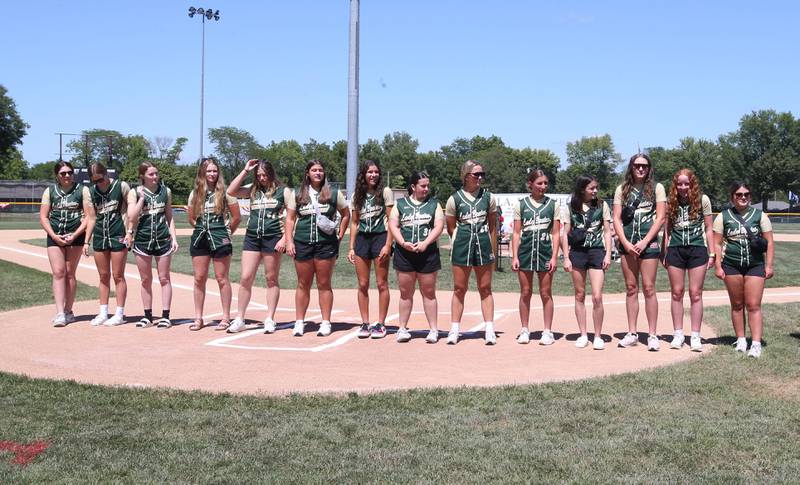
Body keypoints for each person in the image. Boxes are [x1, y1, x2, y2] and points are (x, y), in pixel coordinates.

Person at [285, 160, 350, 337]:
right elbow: (290, 219)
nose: (318, 173)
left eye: (320, 170)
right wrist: (289, 241)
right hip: (302, 243)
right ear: (307, 173)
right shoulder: (297, 193)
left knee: (324, 284)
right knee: (303, 284)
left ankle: (326, 322)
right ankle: (299, 322)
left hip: (326, 244)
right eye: (314, 170)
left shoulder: (334, 193)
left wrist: (340, 236)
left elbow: (346, 215)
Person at [226, 159, 292, 334]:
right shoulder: (252, 190)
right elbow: (231, 191)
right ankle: (240, 318)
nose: (262, 178)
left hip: (273, 238)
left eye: (265, 174)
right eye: (259, 175)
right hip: (252, 238)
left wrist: (284, 239)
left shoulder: (282, 191)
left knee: (271, 278)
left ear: (271, 173)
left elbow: (293, 218)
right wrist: (246, 170)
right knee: (246, 277)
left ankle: (270, 318)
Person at [713, 182, 775, 358]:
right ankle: (741, 339)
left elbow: (769, 242)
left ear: (750, 196)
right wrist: (718, 265)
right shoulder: (723, 216)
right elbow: (717, 243)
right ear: (732, 197)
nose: (742, 197)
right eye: (739, 194)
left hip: (755, 264)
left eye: (746, 194)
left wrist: (769, 265)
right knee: (737, 304)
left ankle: (755, 343)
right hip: (731, 264)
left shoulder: (760, 215)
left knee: (754, 305)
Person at [612, 154, 666, 351]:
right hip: (627, 244)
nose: (641, 169)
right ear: (631, 167)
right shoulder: (622, 189)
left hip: (648, 244)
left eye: (644, 166)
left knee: (649, 288)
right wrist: (625, 243)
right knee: (631, 288)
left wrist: (644, 241)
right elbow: (616, 218)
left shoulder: (657, 188)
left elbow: (660, 217)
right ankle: (632, 332)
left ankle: (652, 335)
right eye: (637, 166)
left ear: (649, 168)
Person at [445, 160, 498, 345]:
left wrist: (492, 251)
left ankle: (489, 329)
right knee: (459, 288)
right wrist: (462, 240)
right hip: (462, 245)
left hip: (483, 245)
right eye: (476, 174)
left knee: (485, 288)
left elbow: (492, 226)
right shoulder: (455, 199)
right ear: (466, 176)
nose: (480, 178)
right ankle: (454, 329)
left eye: (482, 174)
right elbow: (451, 227)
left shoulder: (488, 197)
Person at [388, 171, 444, 343]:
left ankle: (433, 330)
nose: (426, 188)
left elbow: (438, 226)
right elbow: (393, 225)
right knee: (405, 293)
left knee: (429, 292)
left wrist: (425, 243)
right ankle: (402, 328)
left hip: (427, 254)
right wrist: (403, 242)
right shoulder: (401, 204)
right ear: (413, 186)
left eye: (428, 185)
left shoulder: (434, 204)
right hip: (404, 254)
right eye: (423, 185)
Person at [661, 169, 715, 351]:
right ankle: (678, 334)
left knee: (695, 293)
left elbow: (709, 228)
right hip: (676, 249)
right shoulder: (670, 202)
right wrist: (664, 251)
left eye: (687, 183)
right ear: (675, 185)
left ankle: (695, 336)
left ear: (692, 184)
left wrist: (712, 253)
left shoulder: (702, 200)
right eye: (680, 184)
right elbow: (667, 229)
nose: (683, 187)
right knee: (676, 292)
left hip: (697, 248)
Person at [186, 158, 241, 331]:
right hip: (200, 239)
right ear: (202, 173)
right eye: (208, 171)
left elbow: (237, 217)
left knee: (221, 278)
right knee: (199, 278)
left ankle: (226, 317)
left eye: (214, 171)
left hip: (220, 239)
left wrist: (225, 233)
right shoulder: (195, 193)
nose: (212, 174)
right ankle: (198, 318)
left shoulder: (226, 192)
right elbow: (192, 218)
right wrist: (202, 228)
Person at [561, 175, 612, 350]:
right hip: (578, 252)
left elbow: (606, 231)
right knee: (579, 294)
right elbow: (565, 233)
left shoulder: (602, 205)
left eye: (596, 187)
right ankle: (583, 334)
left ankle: (598, 336)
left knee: (597, 296)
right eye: (591, 188)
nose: (595, 191)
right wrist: (566, 257)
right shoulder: (571, 207)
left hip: (597, 251)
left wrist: (608, 254)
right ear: (582, 189)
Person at [39, 161, 93, 327]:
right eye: (63, 173)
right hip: (55, 236)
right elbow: (43, 217)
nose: (67, 175)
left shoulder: (82, 190)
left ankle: (68, 310)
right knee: (58, 272)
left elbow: (88, 216)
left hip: (74, 236)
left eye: (69, 172)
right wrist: (54, 236)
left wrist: (76, 234)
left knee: (70, 273)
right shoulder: (50, 191)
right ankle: (60, 313)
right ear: (57, 175)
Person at [511, 169, 561, 345]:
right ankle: (525, 329)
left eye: (545, 183)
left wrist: (555, 257)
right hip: (525, 252)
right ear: (530, 184)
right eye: (539, 183)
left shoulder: (553, 204)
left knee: (546, 292)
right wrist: (514, 256)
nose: (543, 186)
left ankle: (547, 331)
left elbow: (556, 233)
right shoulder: (521, 204)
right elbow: (516, 233)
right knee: (525, 292)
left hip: (545, 251)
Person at [84, 163, 137, 327]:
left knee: (118, 276)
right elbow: (92, 218)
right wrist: (87, 241)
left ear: (106, 174)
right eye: (95, 181)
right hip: (100, 236)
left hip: (118, 235)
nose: (98, 183)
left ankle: (119, 313)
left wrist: (130, 232)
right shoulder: (92, 192)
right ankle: (103, 313)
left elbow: (131, 210)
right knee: (103, 276)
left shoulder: (121, 186)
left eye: (100, 179)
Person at [127, 162, 179, 328]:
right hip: (142, 240)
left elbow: (169, 216)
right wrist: (142, 198)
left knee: (164, 278)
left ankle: (165, 315)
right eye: (151, 174)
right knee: (145, 279)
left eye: (156, 173)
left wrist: (174, 237)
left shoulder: (166, 191)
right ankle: (148, 316)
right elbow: (131, 217)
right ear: (143, 176)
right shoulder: (134, 192)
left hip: (163, 239)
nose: (155, 177)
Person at [348, 160, 395, 339]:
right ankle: (365, 323)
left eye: (376, 172)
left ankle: (381, 324)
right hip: (362, 240)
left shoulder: (385, 192)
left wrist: (388, 244)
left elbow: (392, 220)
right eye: (369, 172)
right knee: (362, 284)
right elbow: (354, 222)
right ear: (363, 175)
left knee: (381, 283)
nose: (373, 175)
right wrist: (351, 247)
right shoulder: (357, 195)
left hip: (380, 237)